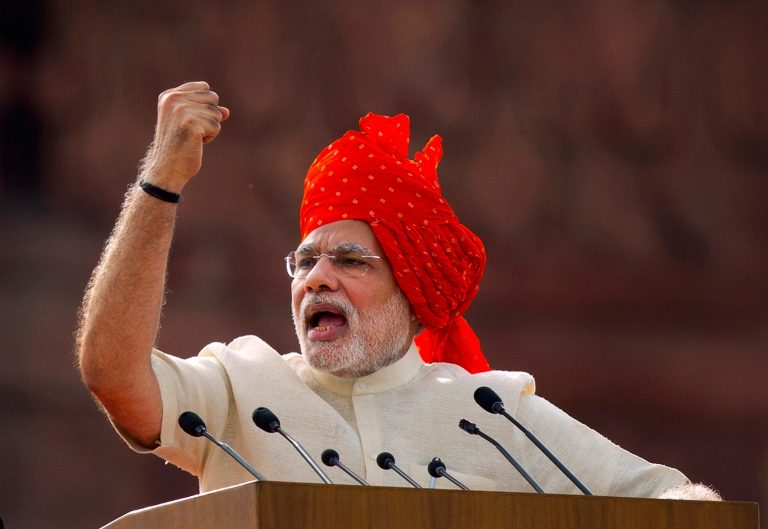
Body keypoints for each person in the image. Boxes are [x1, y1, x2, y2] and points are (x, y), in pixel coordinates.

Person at [76, 81, 718, 500]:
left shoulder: (493, 415)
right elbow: (112, 373)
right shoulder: (239, 389)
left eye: (350, 261)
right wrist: (160, 182)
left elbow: (668, 500)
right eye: (304, 262)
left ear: (410, 291)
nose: (316, 278)